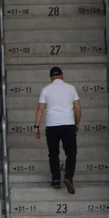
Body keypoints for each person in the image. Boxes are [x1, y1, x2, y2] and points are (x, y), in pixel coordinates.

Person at [35, 65, 83, 193]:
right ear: (62, 76)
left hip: (51, 125)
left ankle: (56, 179)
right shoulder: (71, 88)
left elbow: (40, 109)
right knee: (71, 153)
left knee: (53, 153)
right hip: (68, 123)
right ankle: (68, 177)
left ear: (51, 78)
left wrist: (36, 126)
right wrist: (76, 123)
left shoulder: (45, 89)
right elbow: (77, 109)